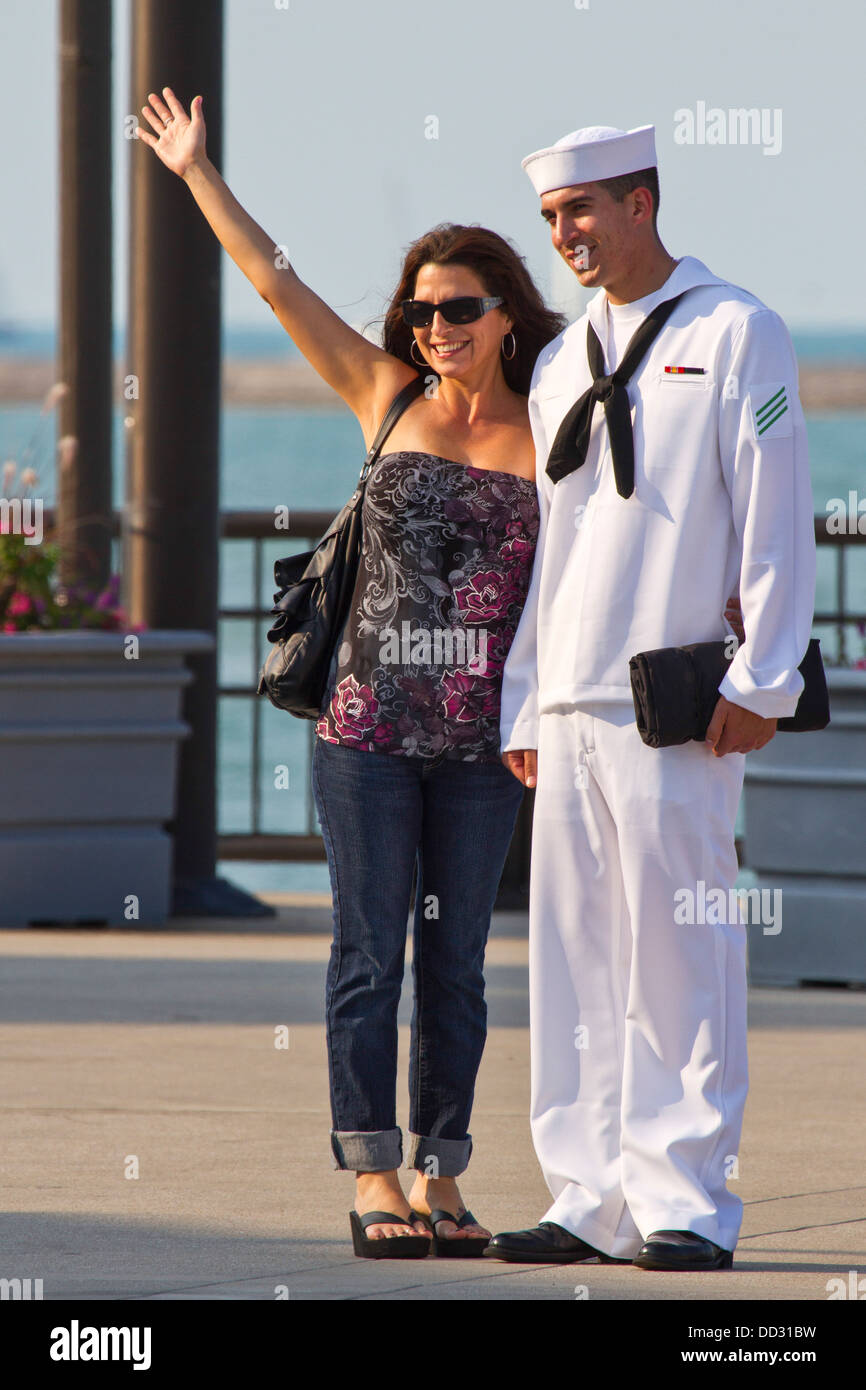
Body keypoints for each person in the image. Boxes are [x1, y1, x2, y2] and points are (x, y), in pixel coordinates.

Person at [136, 87, 565, 1256]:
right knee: (370, 950)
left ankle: (444, 1176)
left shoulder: (552, 425)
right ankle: (372, 1176)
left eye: (458, 309)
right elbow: (276, 283)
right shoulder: (386, 397)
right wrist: (196, 175)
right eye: (420, 311)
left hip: (483, 743)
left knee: (462, 969)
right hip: (365, 735)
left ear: (506, 316)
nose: (434, 327)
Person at [485, 124, 816, 1270]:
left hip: (678, 701)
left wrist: (762, 675)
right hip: (570, 703)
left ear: (640, 201)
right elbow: (549, 543)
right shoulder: (557, 363)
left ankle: (683, 1200)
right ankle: (586, 1195)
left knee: (682, 952)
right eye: (548, 218)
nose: (564, 235)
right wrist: (523, 697)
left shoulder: (739, 331)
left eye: (580, 210)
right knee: (573, 959)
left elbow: (775, 506)